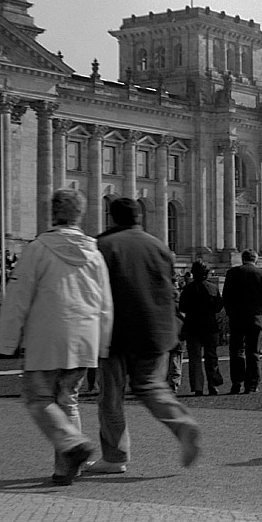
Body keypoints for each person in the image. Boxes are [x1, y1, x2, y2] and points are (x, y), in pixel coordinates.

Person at [0, 189, 113, 485]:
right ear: (80, 216)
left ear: (53, 214)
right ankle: (65, 469)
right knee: (68, 401)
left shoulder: (38, 248)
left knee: (38, 398)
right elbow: (105, 303)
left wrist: (7, 340)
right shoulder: (94, 253)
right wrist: (103, 343)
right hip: (83, 337)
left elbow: (18, 298)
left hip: (47, 336)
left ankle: (73, 445)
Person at [90, 197, 201, 475]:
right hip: (158, 330)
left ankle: (115, 456)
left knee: (111, 396)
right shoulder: (159, 247)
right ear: (139, 217)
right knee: (151, 386)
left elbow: (94, 293)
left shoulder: (102, 246)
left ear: (112, 217)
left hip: (116, 331)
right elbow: (171, 291)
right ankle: (181, 423)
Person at [222, 249, 262, 394]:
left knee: (236, 351)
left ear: (242, 259)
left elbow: (226, 297)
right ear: (255, 260)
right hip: (256, 318)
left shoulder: (232, 273)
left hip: (237, 318)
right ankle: (252, 384)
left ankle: (237, 383)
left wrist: (231, 313)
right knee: (253, 352)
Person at [179, 260, 225, 396]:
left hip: (192, 326)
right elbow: (218, 307)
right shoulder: (213, 288)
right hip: (209, 326)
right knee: (211, 357)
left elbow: (182, 307)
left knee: (195, 358)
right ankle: (213, 385)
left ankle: (198, 387)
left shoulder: (188, 289)